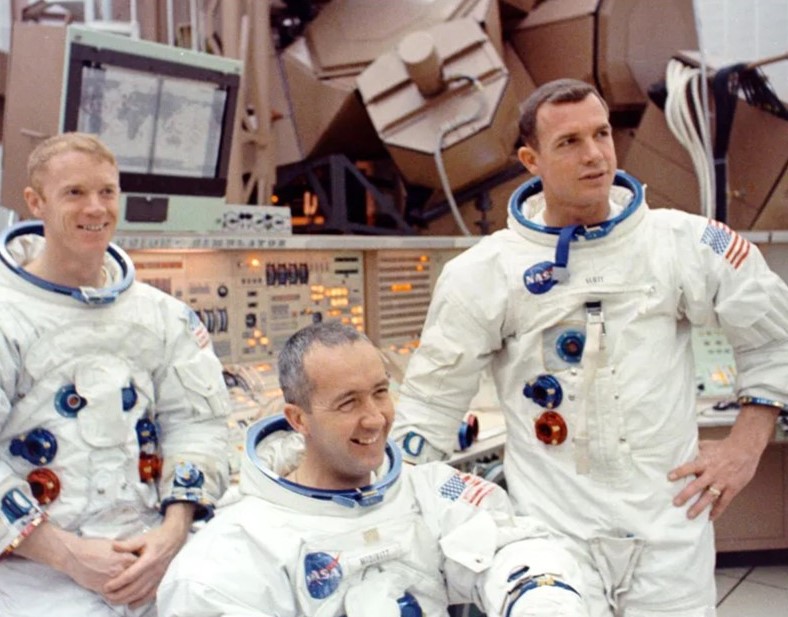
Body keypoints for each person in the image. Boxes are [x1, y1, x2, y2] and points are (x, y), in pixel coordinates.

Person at [391, 78, 788, 617]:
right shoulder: (483, 274)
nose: (595, 154)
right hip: (555, 533)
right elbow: (428, 410)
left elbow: (774, 337)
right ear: (531, 160)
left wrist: (745, 447)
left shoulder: (683, 244)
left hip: (666, 531)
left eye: (601, 134)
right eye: (569, 142)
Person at [157, 321, 590, 617]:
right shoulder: (239, 545)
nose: (375, 418)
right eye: (348, 402)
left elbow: (512, 545)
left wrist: (541, 598)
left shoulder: (427, 492)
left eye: (380, 393)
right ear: (298, 419)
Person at [0, 132, 231, 617]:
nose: (96, 208)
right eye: (74, 193)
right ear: (35, 201)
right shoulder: (8, 316)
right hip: (35, 571)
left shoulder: (162, 317)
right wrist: (66, 554)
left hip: (155, 552)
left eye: (107, 191)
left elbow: (197, 424)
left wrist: (172, 533)